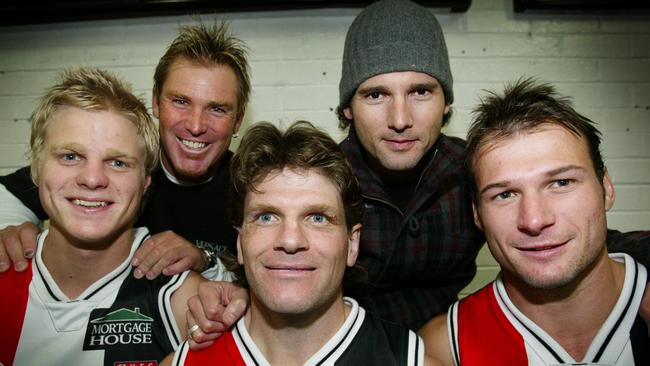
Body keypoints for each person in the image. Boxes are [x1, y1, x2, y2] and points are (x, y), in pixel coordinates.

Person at [419, 78, 649, 365]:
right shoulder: (442, 349)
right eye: (505, 194)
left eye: (561, 182)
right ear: (477, 214)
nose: (534, 219)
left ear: (607, 188)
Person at [162, 121, 430, 365]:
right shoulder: (183, 363)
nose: (290, 240)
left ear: (352, 244)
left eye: (317, 218)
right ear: (241, 242)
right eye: (266, 217)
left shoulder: (410, 360)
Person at [0, 21, 251, 281]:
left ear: (238, 120)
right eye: (180, 101)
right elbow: (11, 192)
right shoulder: (121, 163)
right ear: (155, 101)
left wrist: (205, 260)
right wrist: (12, 230)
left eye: (217, 109)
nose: (196, 126)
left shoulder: (249, 188)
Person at [0, 67, 211, 365]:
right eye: (71, 156)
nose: (92, 179)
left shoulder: (189, 304)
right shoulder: (5, 268)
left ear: (145, 183)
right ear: (36, 169)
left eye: (117, 162)